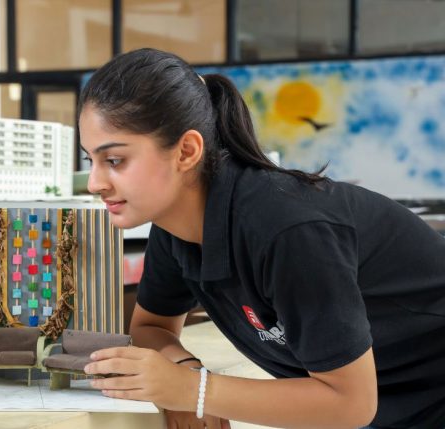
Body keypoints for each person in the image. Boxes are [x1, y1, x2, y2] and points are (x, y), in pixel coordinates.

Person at [79, 48, 445, 429]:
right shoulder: (174, 230)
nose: (94, 183)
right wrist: (184, 373)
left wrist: (194, 390)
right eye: (91, 160)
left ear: (186, 151)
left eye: (115, 160)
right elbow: (150, 327)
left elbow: (350, 403)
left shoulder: (288, 231)